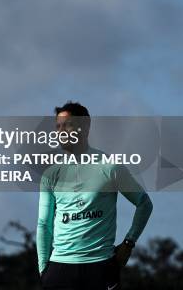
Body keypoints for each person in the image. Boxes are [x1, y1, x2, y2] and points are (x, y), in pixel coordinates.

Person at [37, 101, 153, 290]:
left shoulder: (110, 167)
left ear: (85, 126)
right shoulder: (50, 174)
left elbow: (144, 204)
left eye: (67, 125)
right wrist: (44, 269)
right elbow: (44, 224)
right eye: (58, 126)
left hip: (100, 267)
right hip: (59, 269)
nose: (60, 131)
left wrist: (128, 243)